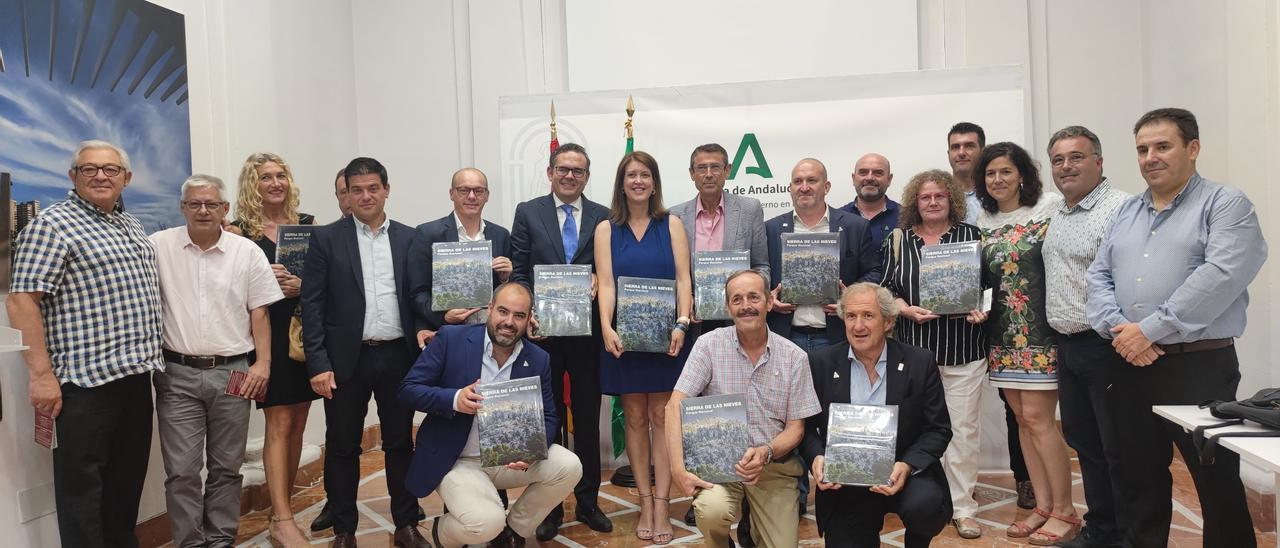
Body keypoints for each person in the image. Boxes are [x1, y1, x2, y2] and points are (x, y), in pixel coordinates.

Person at [1088, 108, 1266, 548]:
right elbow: (1098, 276)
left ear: (1193, 148)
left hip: (1198, 367)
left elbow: (1221, 275)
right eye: (1142, 149)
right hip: (1128, 362)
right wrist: (1121, 331)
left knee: (1215, 481)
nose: (1150, 157)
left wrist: (1149, 330)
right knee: (1136, 477)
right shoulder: (1128, 211)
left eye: (1162, 146)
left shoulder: (1226, 204)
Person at [8, 140, 163, 547]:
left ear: (126, 178)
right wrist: (41, 375)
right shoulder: (52, 224)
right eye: (89, 168)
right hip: (83, 386)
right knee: (83, 495)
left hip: (134, 377)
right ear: (73, 176)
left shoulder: (129, 224)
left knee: (125, 485)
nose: (100, 175)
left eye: (110, 170)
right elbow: (22, 300)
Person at [300, 157, 429, 547]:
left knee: (399, 444)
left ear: (386, 189)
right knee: (342, 446)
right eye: (357, 189)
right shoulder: (326, 239)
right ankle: (345, 530)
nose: (366, 196)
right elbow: (312, 306)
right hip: (344, 363)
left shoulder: (411, 238)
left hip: (398, 358)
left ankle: (405, 524)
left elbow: (420, 297)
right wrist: (318, 364)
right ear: (346, 194)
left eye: (373, 188)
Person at [151, 174, 283, 547]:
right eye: (195, 203)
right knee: (182, 472)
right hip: (176, 374)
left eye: (211, 204)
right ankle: (190, 542)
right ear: (183, 208)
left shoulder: (247, 252)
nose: (203, 210)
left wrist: (263, 364)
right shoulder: (158, 247)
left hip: (235, 372)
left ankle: (222, 539)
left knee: (227, 468)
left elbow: (259, 313)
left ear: (225, 209)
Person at [399, 283, 582, 548]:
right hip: (459, 459)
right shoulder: (452, 339)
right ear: (490, 309)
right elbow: (408, 390)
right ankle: (442, 533)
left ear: (529, 318)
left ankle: (514, 530)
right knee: (486, 522)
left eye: (519, 315)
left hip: (507, 460)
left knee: (569, 465)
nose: (509, 322)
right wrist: (454, 399)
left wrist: (533, 449)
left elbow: (550, 416)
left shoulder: (538, 358)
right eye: (503, 312)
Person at [665, 269, 821, 548]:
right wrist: (678, 469)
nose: (746, 305)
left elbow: (796, 428)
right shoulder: (708, 345)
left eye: (753, 297)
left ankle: (753, 524)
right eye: (737, 299)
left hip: (773, 465)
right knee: (710, 512)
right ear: (727, 307)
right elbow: (674, 405)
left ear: (769, 302)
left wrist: (766, 452)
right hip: (720, 466)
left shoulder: (795, 357)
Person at [973, 142, 1078, 544]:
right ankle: (1044, 506)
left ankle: (1066, 512)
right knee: (1021, 419)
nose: (997, 180)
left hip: (1040, 334)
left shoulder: (1049, 208)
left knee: (1039, 420)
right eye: (990, 174)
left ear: (1022, 174)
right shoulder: (984, 220)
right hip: (1000, 333)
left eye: (1005, 171)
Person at [509, 143, 614, 539]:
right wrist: (527, 309)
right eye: (563, 169)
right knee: (548, 423)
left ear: (587, 176)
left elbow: (612, 271)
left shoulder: (604, 216)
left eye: (578, 171)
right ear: (550, 172)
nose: (570, 176)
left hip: (587, 336)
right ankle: (549, 507)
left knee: (586, 420)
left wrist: (598, 280)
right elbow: (519, 270)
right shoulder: (528, 212)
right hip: (543, 335)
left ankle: (588, 502)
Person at [878, 169, 988, 539]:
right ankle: (918, 499)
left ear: (952, 200)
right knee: (915, 430)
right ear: (915, 202)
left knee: (962, 431)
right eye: (925, 197)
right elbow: (886, 291)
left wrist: (980, 308)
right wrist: (904, 309)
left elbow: (988, 286)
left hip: (962, 350)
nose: (932, 202)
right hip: (914, 356)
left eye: (939, 196)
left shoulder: (972, 236)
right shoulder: (898, 240)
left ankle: (962, 507)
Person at [802, 283, 952, 547]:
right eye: (851, 316)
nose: (858, 326)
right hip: (846, 481)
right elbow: (805, 427)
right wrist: (817, 457)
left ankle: (917, 540)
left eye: (868, 316)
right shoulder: (821, 363)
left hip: (903, 471)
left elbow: (938, 429)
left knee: (925, 507)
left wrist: (906, 466)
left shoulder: (919, 362)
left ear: (888, 321)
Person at [594, 151, 692, 545]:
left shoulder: (672, 225)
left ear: (654, 183)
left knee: (662, 418)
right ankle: (646, 501)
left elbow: (685, 281)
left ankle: (665, 502)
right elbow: (606, 284)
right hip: (625, 340)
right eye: (631, 175)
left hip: (669, 337)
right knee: (634, 417)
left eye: (645, 175)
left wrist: (683, 323)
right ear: (622, 182)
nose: (638, 181)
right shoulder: (606, 229)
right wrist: (605, 326)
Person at [1042, 126, 1130, 548]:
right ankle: (1102, 529)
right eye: (1058, 160)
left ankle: (1129, 535)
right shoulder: (1060, 211)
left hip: (1106, 346)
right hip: (1068, 345)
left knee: (1118, 448)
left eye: (1076, 157)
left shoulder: (1122, 209)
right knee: (1086, 443)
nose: (1066, 166)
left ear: (1099, 161)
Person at [228, 152, 321, 544]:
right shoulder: (237, 232)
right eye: (265, 177)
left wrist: (304, 285)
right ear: (253, 184)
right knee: (278, 423)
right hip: (266, 335)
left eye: (280, 175)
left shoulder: (308, 225)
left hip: (304, 334)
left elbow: (324, 277)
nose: (275, 183)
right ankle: (281, 519)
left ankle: (282, 512)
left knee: (299, 421)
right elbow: (229, 289)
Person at [947, 123, 1035, 510]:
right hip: (968, 324)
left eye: (970, 146)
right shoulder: (948, 199)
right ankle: (948, 486)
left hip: (1013, 323)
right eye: (956, 147)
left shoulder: (1008, 205)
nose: (962, 152)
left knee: (1020, 409)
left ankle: (1026, 478)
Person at [766, 157, 881, 352]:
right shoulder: (771, 228)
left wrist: (850, 298)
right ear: (790, 188)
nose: (804, 187)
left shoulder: (855, 227)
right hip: (785, 337)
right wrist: (768, 297)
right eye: (797, 181)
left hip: (837, 337)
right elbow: (759, 272)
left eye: (811, 180)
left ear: (826, 187)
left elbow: (874, 272)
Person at [408, 168, 513, 347]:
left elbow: (510, 292)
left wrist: (506, 279)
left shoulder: (500, 235)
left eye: (478, 191)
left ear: (487, 195)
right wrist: (443, 316)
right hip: (449, 335)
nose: (472, 196)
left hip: (494, 338)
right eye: (463, 190)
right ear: (451, 194)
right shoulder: (428, 234)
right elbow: (417, 292)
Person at [839, 152, 901, 249]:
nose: (870, 178)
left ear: (889, 179)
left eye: (878, 173)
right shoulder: (836, 219)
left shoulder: (907, 217)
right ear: (853, 178)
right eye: (863, 172)